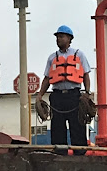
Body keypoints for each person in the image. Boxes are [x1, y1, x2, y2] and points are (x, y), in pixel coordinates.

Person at [37, 25, 91, 155]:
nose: (58, 39)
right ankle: (59, 154)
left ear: (69, 38)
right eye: (57, 37)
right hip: (57, 97)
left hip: (75, 96)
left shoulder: (79, 55)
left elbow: (85, 75)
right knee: (57, 127)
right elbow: (47, 78)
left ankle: (80, 154)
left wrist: (87, 93)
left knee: (77, 126)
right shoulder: (52, 58)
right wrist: (39, 95)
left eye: (61, 37)